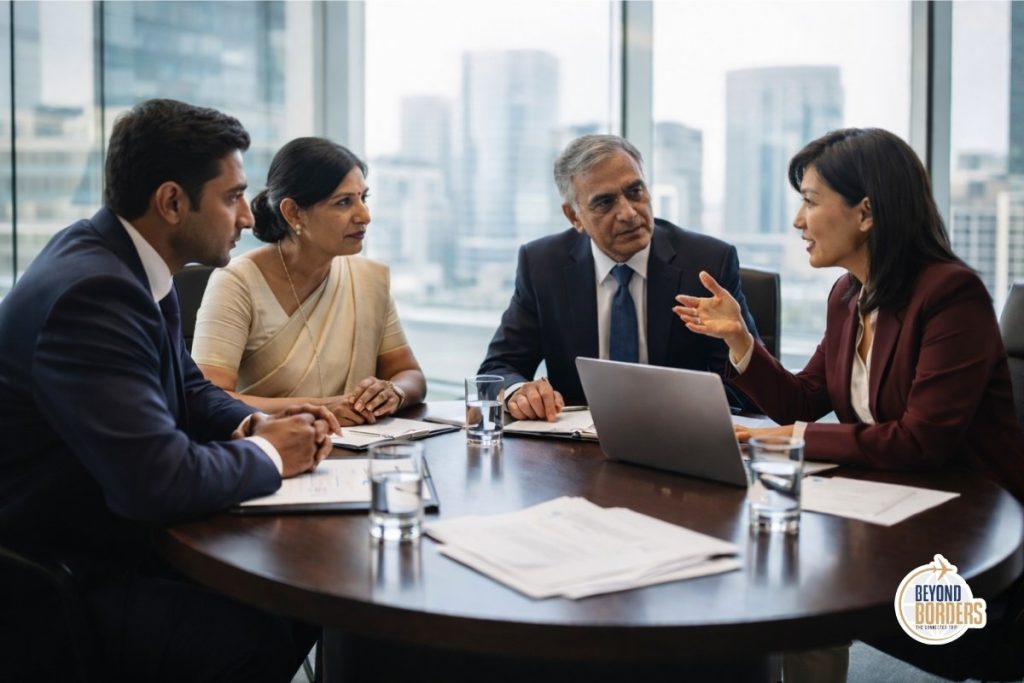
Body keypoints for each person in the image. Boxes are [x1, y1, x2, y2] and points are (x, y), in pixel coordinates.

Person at [0, 99, 339, 682]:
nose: (248, 218)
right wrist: (270, 455)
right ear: (173, 202)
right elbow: (156, 482)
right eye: (232, 197)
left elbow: (184, 382)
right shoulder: (96, 294)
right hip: (55, 572)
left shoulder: (126, 260)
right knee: (254, 632)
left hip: (102, 528)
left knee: (302, 597)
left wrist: (249, 425)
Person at [673, 127, 1024, 501]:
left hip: (972, 510)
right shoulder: (847, 295)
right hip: (882, 497)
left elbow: (921, 441)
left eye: (810, 202)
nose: (798, 220)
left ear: (866, 213)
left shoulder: (951, 294)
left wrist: (790, 437)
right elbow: (802, 402)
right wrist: (739, 338)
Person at [479, 134, 759, 421]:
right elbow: (497, 368)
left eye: (635, 192)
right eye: (605, 203)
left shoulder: (706, 262)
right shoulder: (543, 264)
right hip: (575, 452)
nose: (627, 213)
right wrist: (519, 391)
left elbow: (752, 392)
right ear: (574, 216)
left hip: (678, 439)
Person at [192, 137, 426, 426]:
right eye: (344, 202)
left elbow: (410, 375)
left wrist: (393, 392)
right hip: (275, 450)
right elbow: (210, 396)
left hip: (362, 448)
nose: (364, 216)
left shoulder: (367, 279)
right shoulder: (236, 283)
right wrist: (324, 408)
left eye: (363, 198)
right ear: (293, 212)